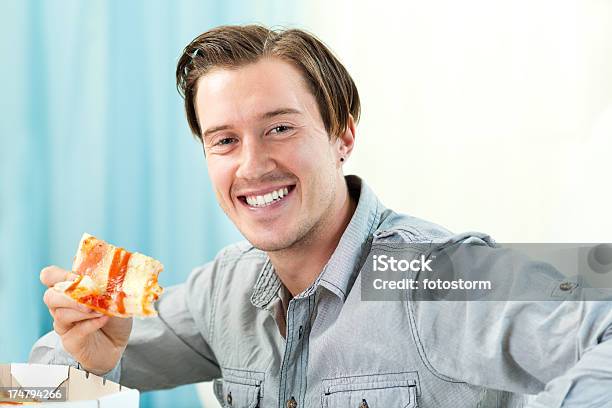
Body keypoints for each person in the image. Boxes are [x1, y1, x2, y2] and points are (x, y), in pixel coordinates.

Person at [30, 24, 612, 407]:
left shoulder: (432, 273)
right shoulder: (226, 288)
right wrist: (81, 365)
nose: (253, 165)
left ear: (342, 135)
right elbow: (33, 389)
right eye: (225, 140)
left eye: (280, 128)